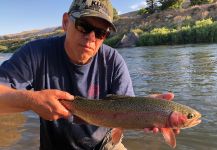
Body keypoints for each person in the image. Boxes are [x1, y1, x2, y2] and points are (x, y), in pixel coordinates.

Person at [0, 0, 178, 149]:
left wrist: (150, 108)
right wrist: (31, 100)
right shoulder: (36, 53)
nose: (91, 37)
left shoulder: (113, 60)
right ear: (65, 22)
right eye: (84, 26)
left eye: (101, 32)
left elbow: (125, 107)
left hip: (105, 144)